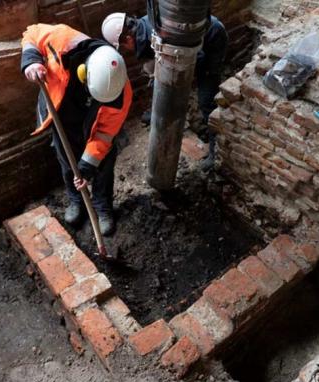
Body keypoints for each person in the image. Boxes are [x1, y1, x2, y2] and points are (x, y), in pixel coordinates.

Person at [21, 23, 132, 235]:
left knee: (103, 165)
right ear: (84, 73)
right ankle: (76, 200)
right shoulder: (62, 40)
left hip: (93, 127)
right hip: (62, 116)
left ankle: (102, 207)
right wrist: (30, 62)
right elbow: (31, 33)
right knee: (66, 160)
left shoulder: (120, 93)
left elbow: (104, 135)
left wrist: (86, 168)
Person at [101, 12, 228, 170]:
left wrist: (177, 83)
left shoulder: (157, 35)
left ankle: (215, 154)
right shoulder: (143, 29)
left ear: (128, 38)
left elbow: (195, 57)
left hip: (211, 41)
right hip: (189, 41)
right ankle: (156, 109)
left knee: (206, 100)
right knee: (156, 73)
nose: (126, 51)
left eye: (124, 47)